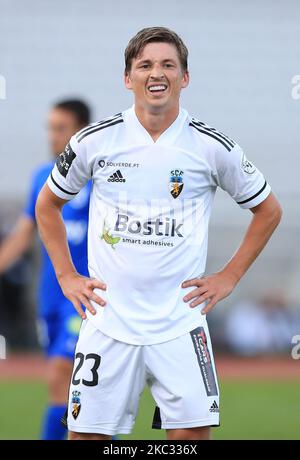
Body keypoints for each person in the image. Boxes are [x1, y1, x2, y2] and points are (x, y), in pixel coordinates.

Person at [35, 27, 282, 441]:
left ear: (184, 77)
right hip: (108, 321)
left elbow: (268, 210)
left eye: (168, 64)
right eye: (145, 65)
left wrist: (229, 276)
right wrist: (66, 275)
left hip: (180, 324)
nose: (157, 73)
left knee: (189, 439)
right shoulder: (94, 141)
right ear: (127, 77)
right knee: (86, 437)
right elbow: (47, 206)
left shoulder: (210, 146)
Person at [0, 99, 91, 439]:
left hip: (84, 297)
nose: (52, 137)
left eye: (60, 128)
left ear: (80, 131)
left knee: (62, 376)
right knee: (64, 391)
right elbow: (24, 233)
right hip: (50, 297)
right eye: (50, 128)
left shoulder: (101, 178)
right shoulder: (43, 176)